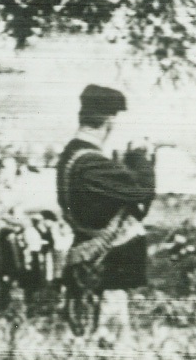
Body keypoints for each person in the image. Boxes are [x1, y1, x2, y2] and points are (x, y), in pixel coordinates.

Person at [56, 85, 156, 344]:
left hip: (93, 257)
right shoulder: (90, 162)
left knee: (94, 335)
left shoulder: (74, 155)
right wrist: (139, 156)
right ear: (109, 120)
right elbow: (142, 190)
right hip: (107, 263)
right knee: (107, 339)